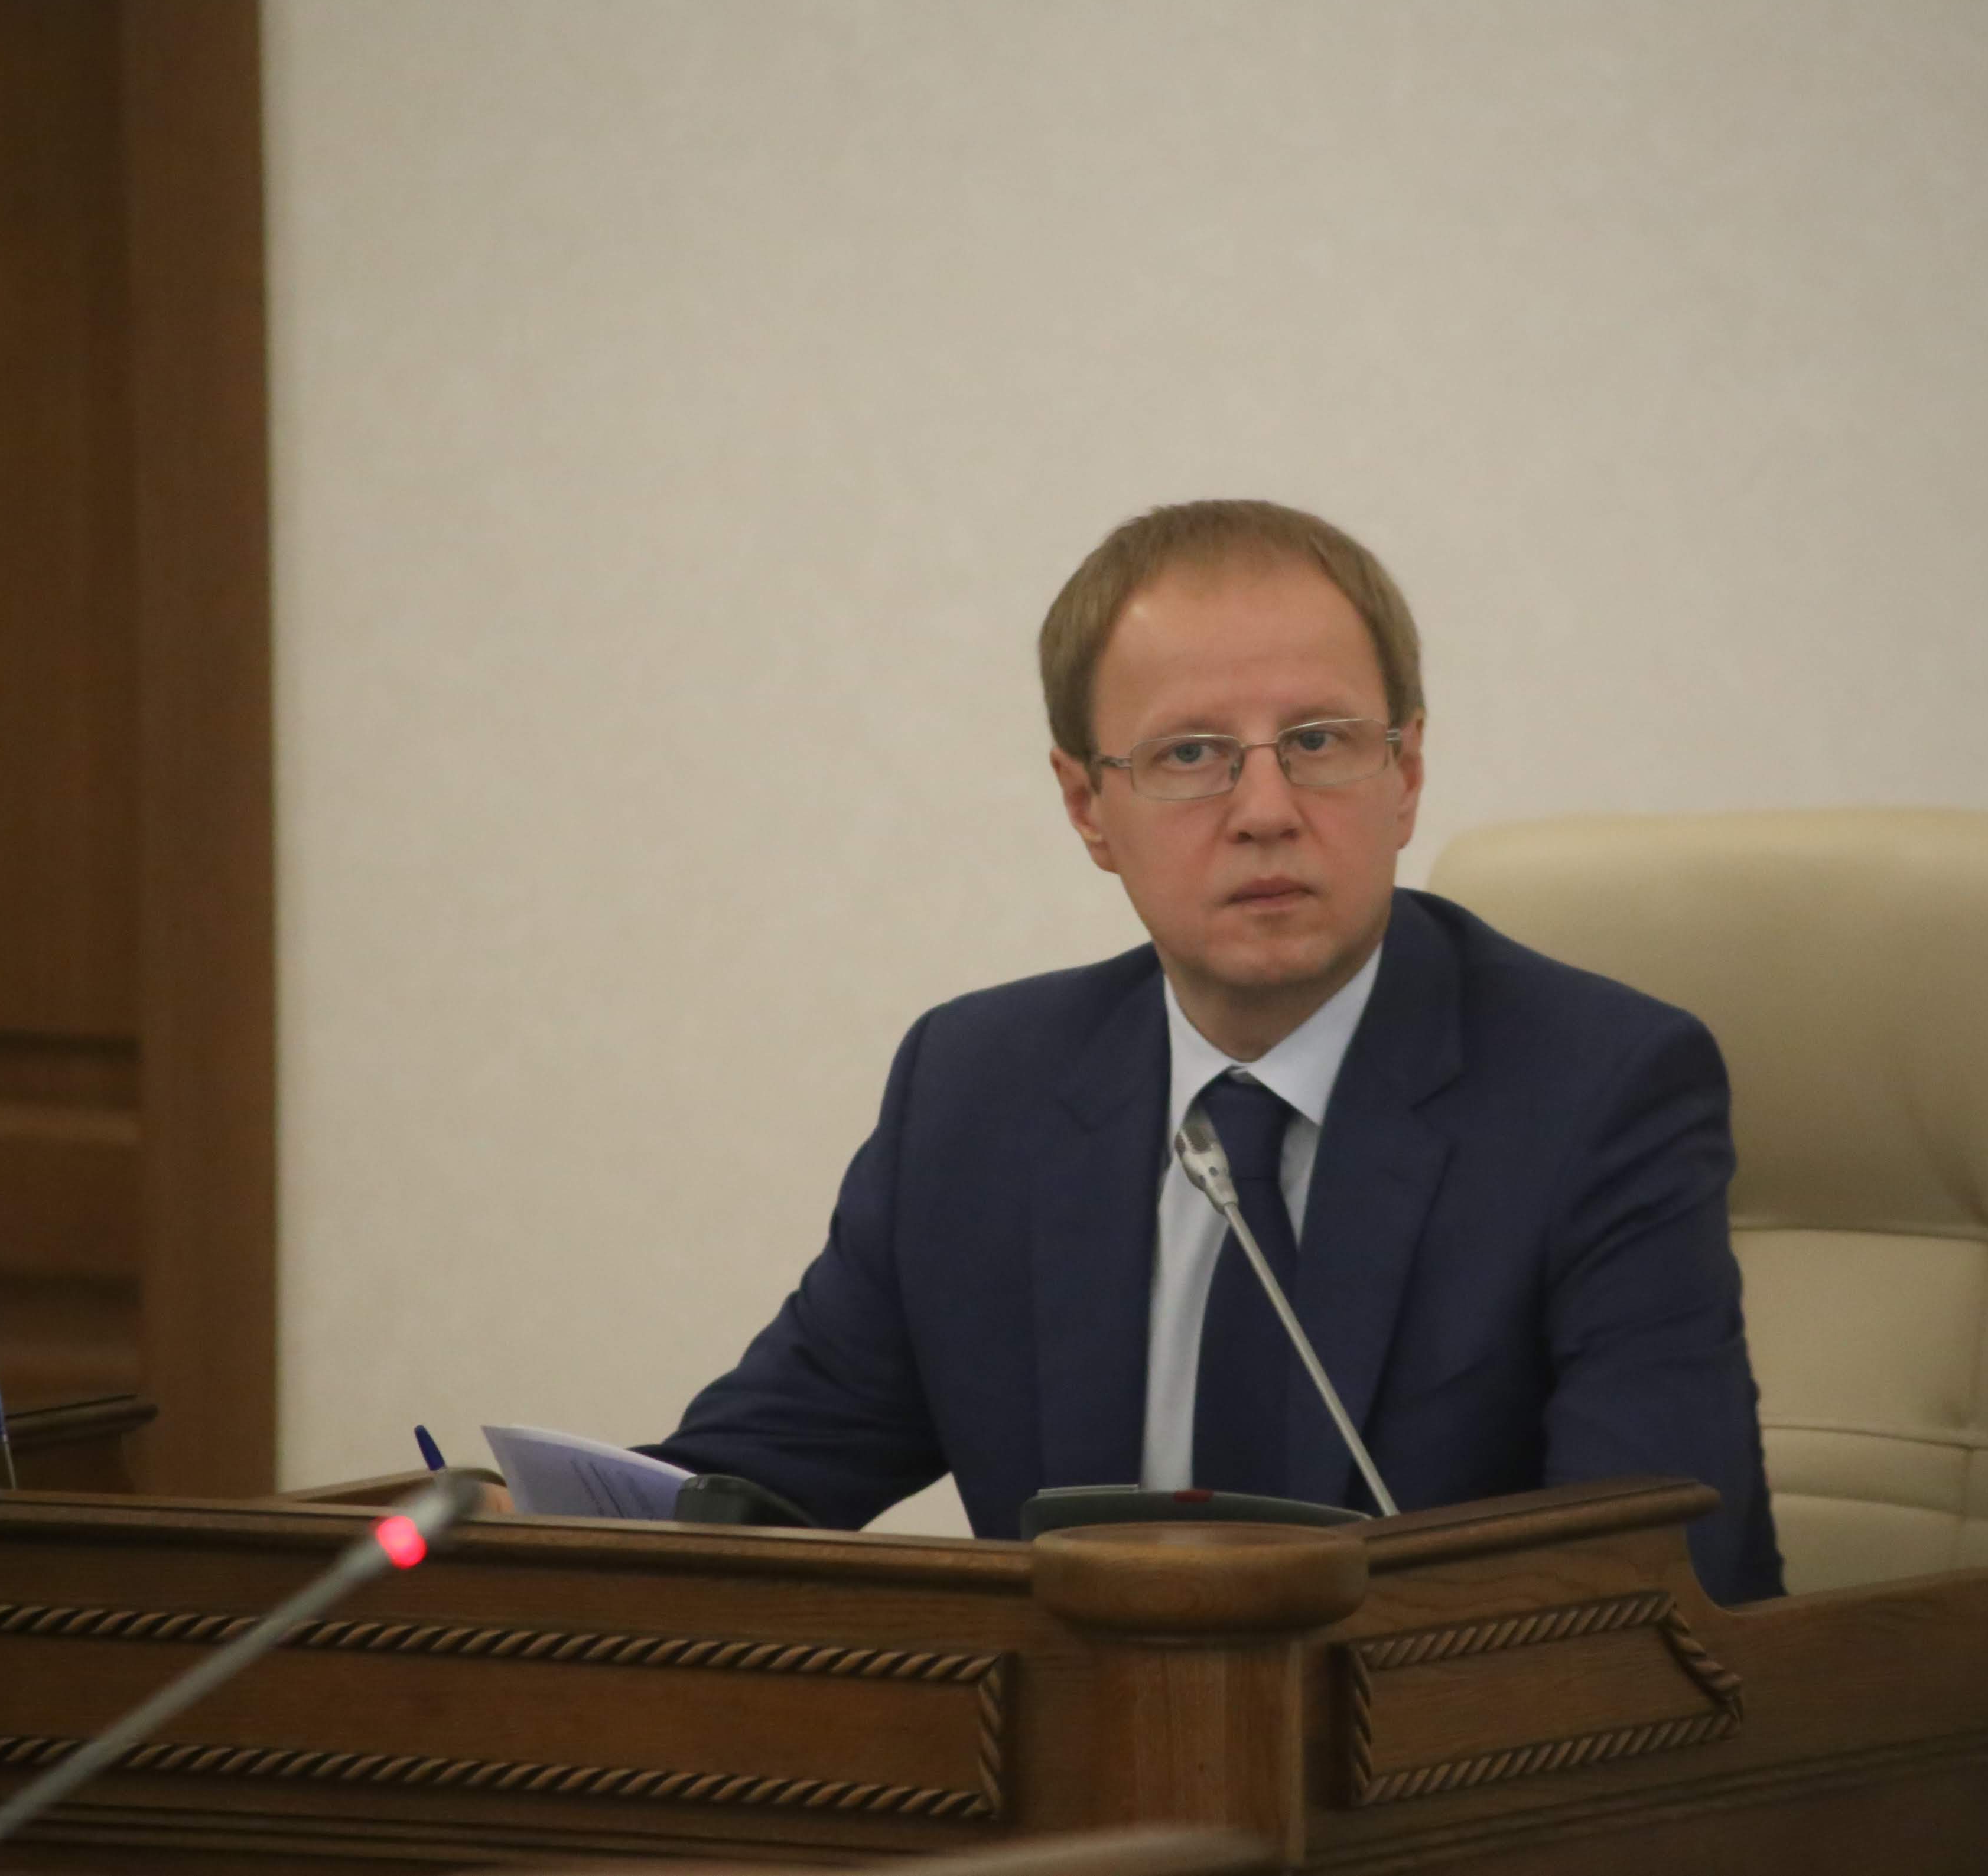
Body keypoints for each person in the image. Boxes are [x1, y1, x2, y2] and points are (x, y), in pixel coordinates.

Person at [657, 500, 1783, 1603]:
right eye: (1190, 753)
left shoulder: (1599, 1091)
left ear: (1405, 774)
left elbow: (1658, 1584)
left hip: (1458, 1725)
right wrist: (561, 1525)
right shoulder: (978, 1088)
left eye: (1318, 741)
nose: (1264, 809)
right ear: (1086, 806)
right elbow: (735, 1490)